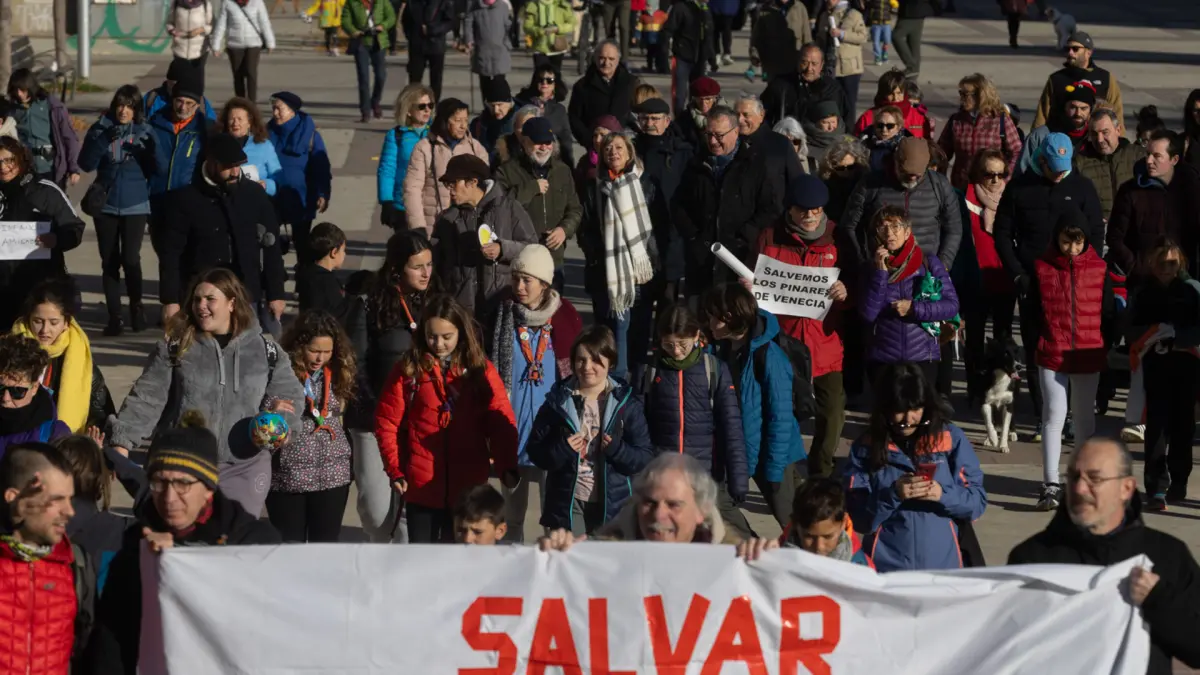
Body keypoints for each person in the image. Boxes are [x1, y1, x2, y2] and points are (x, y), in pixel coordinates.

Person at [86, 413, 282, 673]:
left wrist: (181, 558)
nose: (169, 497)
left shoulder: (256, 542)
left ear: (209, 488)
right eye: (159, 482)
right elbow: (112, 636)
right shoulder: (137, 542)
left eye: (183, 484)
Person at [108, 269, 304, 518]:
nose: (201, 306)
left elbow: (290, 396)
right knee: (183, 535)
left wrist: (281, 423)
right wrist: (121, 443)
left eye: (210, 299)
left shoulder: (266, 351)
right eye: (197, 299)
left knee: (232, 537)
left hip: (244, 467)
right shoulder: (176, 347)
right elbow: (146, 398)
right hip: (182, 464)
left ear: (232, 303)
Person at [1008, 437, 1200, 675]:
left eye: (1095, 479)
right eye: (1074, 477)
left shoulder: (1166, 555)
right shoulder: (1031, 560)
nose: (1079, 489)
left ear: (1126, 488)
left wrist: (1158, 600)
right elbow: (1009, 651)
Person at [374, 295, 519, 543]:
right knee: (424, 559)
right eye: (432, 336)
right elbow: (387, 422)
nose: (439, 344)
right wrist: (395, 470)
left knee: (462, 558)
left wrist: (507, 465)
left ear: (460, 333)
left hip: (468, 489)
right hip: (421, 488)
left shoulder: (480, 370)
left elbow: (500, 422)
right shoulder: (409, 370)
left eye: (446, 337)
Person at [994, 132, 1105, 438]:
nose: (1059, 174)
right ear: (1040, 159)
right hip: (1033, 283)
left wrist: (1088, 271)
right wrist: (1018, 274)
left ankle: (1071, 415)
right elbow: (1002, 233)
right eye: (1053, 167)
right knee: (1037, 350)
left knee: (1073, 351)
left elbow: (1096, 233)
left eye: (1063, 168)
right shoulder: (1020, 188)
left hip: (1075, 285)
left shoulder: (1082, 187)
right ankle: (1045, 415)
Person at [755, 175, 854, 479]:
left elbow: (858, 283)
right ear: (790, 209)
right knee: (784, 411)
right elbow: (755, 280)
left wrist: (846, 292)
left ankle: (821, 471)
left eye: (816, 210)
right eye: (803, 210)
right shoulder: (770, 236)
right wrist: (750, 286)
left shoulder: (838, 238)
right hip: (783, 341)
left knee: (832, 411)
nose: (810, 216)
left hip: (826, 342)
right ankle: (787, 473)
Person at [845, 363, 986, 572]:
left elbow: (977, 502)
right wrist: (892, 495)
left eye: (916, 409)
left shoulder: (950, 438)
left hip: (944, 567)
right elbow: (859, 520)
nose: (908, 419)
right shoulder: (865, 448)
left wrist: (943, 494)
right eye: (899, 410)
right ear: (885, 408)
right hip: (887, 571)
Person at [487, 245, 582, 542]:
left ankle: (551, 570)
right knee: (511, 517)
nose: (519, 286)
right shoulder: (502, 314)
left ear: (544, 283)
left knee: (554, 516)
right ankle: (514, 563)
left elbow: (577, 375)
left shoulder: (565, 318)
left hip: (551, 434)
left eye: (527, 280)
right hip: (512, 429)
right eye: (516, 278)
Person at [345, 232, 434, 543]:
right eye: (417, 267)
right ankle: (379, 548)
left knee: (410, 508)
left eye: (429, 265)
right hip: (373, 421)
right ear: (396, 269)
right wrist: (376, 409)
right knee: (377, 513)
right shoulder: (368, 304)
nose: (426, 273)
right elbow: (354, 364)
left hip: (419, 420)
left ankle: (403, 567)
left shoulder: (434, 303)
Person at [526, 325, 653, 535]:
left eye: (596, 360)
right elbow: (535, 450)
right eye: (581, 360)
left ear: (610, 363)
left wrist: (618, 450)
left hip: (612, 505)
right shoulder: (558, 401)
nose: (587, 367)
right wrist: (562, 448)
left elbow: (644, 457)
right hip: (568, 502)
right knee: (571, 555)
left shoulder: (627, 404)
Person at [158, 133, 287, 336]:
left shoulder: (253, 194)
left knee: (247, 349)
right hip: (202, 296)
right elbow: (171, 255)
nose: (235, 172)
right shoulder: (185, 201)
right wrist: (170, 300)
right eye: (229, 166)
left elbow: (272, 248)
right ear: (211, 163)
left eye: (238, 165)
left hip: (246, 293)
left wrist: (276, 293)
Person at [699, 283, 806, 527]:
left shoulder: (769, 356)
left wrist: (775, 471)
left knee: (794, 524)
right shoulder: (722, 349)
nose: (708, 323)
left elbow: (781, 418)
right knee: (718, 507)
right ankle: (751, 546)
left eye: (712, 317)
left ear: (728, 317)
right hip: (740, 452)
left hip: (772, 458)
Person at [1031, 210, 1114, 511]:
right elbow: (1031, 312)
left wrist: (1105, 344)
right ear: (1057, 238)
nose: (1072, 249)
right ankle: (1050, 483)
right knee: (1054, 414)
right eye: (1066, 241)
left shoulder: (1099, 268)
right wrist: (1038, 342)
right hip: (1053, 350)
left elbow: (1109, 311)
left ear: (1086, 240)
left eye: (1078, 242)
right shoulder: (1041, 267)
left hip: (1088, 351)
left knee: (1084, 418)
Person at [642, 305, 749, 531]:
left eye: (682, 344)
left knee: (731, 534)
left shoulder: (714, 369)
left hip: (706, 476)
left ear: (696, 336)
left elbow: (731, 426)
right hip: (665, 477)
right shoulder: (650, 370)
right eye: (669, 344)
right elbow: (639, 427)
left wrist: (738, 478)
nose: (676, 351)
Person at [0, 442, 92, 674]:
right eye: (57, 500)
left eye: (70, 499)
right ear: (15, 499)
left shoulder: (75, 565)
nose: (69, 511)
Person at [266, 311, 355, 543]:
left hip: (333, 474)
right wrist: (270, 407)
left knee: (324, 548)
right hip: (289, 475)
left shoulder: (341, 371)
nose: (319, 358)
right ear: (299, 345)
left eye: (327, 352)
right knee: (288, 548)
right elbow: (256, 405)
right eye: (314, 350)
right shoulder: (279, 370)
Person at [576, 132, 657, 380]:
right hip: (607, 273)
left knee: (639, 333)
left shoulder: (645, 183)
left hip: (641, 271)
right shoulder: (594, 187)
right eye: (608, 148)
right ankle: (616, 383)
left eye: (619, 147)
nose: (614, 152)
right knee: (612, 333)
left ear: (629, 152)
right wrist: (598, 254)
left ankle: (638, 386)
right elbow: (585, 228)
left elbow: (659, 226)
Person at [1127, 240, 1200, 511]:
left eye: (1171, 263)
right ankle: (1156, 486)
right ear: (1151, 264)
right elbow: (1129, 328)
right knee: (1156, 427)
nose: (1166, 268)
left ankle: (1179, 480)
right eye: (1161, 263)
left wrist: (1179, 338)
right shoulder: (1143, 292)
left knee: (1183, 426)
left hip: (1187, 365)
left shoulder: (1192, 289)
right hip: (1155, 366)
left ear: (1180, 262)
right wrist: (1153, 333)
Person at [674, 107, 779, 294]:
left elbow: (769, 208)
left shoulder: (755, 165)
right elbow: (679, 204)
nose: (713, 141)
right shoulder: (696, 164)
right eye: (709, 134)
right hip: (702, 263)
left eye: (719, 135)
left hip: (739, 261)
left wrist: (744, 235)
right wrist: (694, 236)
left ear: (736, 132)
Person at [77, 85, 154, 336]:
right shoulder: (101, 128)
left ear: (136, 109)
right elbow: (85, 163)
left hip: (135, 204)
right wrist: (103, 140)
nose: (123, 111)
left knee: (131, 258)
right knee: (109, 261)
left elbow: (157, 167)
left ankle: (136, 307)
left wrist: (149, 151)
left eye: (129, 106)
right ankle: (114, 317)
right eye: (120, 105)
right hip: (106, 204)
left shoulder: (145, 130)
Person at [538, 452, 729, 548]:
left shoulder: (734, 566)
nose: (659, 515)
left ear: (701, 510)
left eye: (673, 505)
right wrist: (556, 557)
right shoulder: (604, 554)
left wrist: (747, 560)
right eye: (649, 502)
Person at [859, 206, 959, 387]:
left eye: (895, 226)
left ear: (907, 232)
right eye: (883, 227)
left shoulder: (928, 262)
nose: (889, 233)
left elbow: (951, 305)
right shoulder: (870, 267)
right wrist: (880, 274)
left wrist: (914, 308)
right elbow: (868, 314)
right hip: (883, 358)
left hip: (923, 356)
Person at [431, 155, 537, 319]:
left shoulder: (509, 208)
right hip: (462, 311)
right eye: (447, 185)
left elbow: (533, 249)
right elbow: (437, 266)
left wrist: (503, 249)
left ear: (473, 182)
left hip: (502, 306)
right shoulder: (448, 219)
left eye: (454, 183)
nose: (450, 190)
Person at [0, 138, 85, 330]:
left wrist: (57, 239)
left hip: (39, 286)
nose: (3, 167)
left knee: (37, 342)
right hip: (2, 287)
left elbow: (74, 228)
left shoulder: (44, 190)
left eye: (9, 160)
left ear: (21, 158)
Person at [954, 149, 1017, 405]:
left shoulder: (1011, 198)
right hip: (976, 278)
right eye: (989, 174)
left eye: (1001, 174)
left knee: (1003, 339)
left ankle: (1000, 389)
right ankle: (976, 388)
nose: (995, 180)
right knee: (975, 339)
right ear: (978, 174)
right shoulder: (965, 197)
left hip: (1004, 278)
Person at [843, 136, 962, 270]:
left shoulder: (940, 185)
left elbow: (954, 229)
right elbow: (849, 226)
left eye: (917, 175)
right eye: (906, 173)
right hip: (881, 269)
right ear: (896, 161)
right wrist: (862, 261)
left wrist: (943, 265)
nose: (912, 178)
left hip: (926, 270)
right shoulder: (871, 184)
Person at [13, 280, 115, 434]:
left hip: (62, 442)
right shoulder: (9, 350)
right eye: (38, 321)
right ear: (28, 319)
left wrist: (88, 437)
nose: (45, 330)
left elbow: (101, 415)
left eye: (54, 323)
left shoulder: (80, 359)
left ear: (67, 323)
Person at [494, 117, 583, 290]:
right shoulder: (506, 171)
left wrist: (564, 230)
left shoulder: (562, 171)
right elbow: (499, 208)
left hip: (553, 259)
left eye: (548, 142)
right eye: (538, 142)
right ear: (524, 142)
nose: (544, 147)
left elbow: (575, 209)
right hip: (520, 259)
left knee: (553, 305)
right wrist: (530, 189)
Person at [1107, 130, 1200, 280]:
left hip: (1182, 277)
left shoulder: (1190, 190)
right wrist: (1134, 267)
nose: (1149, 160)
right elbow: (1115, 237)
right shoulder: (1130, 191)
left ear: (1174, 160)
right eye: (1148, 154)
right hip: (1143, 279)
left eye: (1157, 156)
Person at [145, 69, 212, 254]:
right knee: (165, 257)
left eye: (189, 103)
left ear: (197, 105)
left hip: (190, 206)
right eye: (179, 101)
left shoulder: (205, 130)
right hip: (158, 203)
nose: (183, 107)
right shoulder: (154, 124)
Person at [633, 98, 693, 304]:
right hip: (639, 233)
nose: (649, 123)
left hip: (671, 234)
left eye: (655, 119)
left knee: (668, 301)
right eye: (644, 119)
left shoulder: (681, 152)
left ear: (667, 121)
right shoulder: (631, 150)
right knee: (640, 301)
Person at [403, 98, 490, 237]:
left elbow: (485, 186)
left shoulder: (476, 148)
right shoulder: (425, 148)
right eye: (457, 120)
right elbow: (412, 189)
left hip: (468, 227)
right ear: (444, 121)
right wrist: (418, 227)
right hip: (433, 226)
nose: (463, 126)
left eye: (465, 120)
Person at [268, 91, 332, 266]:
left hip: (301, 199)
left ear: (292, 111)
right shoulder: (266, 132)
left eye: (279, 109)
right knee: (269, 243)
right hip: (272, 198)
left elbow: (321, 168)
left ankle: (304, 278)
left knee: (302, 244)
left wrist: (323, 194)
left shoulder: (309, 135)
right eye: (273, 109)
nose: (275, 113)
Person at [56, 433, 128, 587]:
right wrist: (111, 456)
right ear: (99, 477)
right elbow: (153, 506)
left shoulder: (30, 526)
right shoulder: (118, 530)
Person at [937, 73, 1021, 189]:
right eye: (960, 93)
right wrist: (939, 180)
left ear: (981, 96)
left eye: (965, 94)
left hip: (992, 187)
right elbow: (941, 153)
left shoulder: (1000, 120)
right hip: (961, 187)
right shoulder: (956, 120)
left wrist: (1004, 178)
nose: (961, 98)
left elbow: (1016, 152)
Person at [1032, 31, 1123, 130]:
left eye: (1075, 49)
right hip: (1061, 137)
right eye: (1067, 49)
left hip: (1094, 137)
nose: (1070, 53)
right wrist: (1036, 136)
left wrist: (1120, 136)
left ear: (1088, 52)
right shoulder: (1056, 79)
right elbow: (1042, 115)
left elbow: (1117, 114)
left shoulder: (1105, 78)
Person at [6, 68, 80, 188]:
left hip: (50, 168)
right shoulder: (12, 110)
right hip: (25, 169)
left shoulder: (52, 107)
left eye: (22, 90)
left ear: (30, 87)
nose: (19, 94)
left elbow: (69, 137)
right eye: (16, 90)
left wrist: (73, 168)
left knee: (52, 199)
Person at [777, 477, 872, 566]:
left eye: (828, 537)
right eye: (808, 536)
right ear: (795, 524)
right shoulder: (776, 555)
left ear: (843, 523)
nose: (819, 547)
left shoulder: (861, 568)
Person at [0, 335, 71, 452]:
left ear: (34, 388)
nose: (5, 398)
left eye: (17, 391)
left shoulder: (55, 436)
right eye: (0, 388)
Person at [378, 84, 435, 229]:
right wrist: (387, 201)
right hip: (404, 205)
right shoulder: (396, 135)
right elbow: (387, 170)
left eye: (430, 105)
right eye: (421, 106)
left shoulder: (438, 132)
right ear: (408, 110)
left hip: (433, 205)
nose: (427, 110)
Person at [1073, 107, 1144, 223]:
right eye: (1094, 134)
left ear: (1118, 130)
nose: (1100, 139)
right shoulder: (1080, 162)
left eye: (1105, 132)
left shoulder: (1139, 157)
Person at [761, 44, 851, 128]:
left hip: (821, 138)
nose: (809, 68)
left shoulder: (832, 89)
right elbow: (762, 113)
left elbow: (845, 120)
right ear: (798, 62)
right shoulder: (781, 85)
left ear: (821, 65)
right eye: (804, 63)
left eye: (814, 64)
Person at [567, 41, 636, 148]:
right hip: (596, 146)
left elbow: (639, 114)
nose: (606, 63)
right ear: (595, 58)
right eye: (602, 58)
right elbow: (574, 117)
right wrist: (588, 140)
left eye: (611, 59)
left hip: (625, 145)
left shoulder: (631, 83)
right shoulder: (582, 86)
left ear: (618, 59)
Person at [1018, 79, 1095, 175]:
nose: (1078, 113)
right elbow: (1022, 173)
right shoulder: (1041, 136)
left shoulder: (1095, 137)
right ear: (1064, 107)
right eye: (1073, 107)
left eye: (1083, 108)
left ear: (1090, 110)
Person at [737, 94, 805, 196]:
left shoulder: (780, 144)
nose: (740, 120)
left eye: (746, 115)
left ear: (761, 115)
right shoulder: (730, 142)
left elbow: (798, 182)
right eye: (736, 114)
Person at [341, 0, 397, 122]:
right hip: (361, 42)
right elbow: (345, 20)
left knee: (381, 75)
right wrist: (353, 31)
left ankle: (375, 102)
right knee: (363, 78)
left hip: (379, 41)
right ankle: (365, 110)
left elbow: (391, 17)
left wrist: (383, 25)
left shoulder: (382, 1)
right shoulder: (352, 2)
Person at [211, 0, 276, 102]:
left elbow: (264, 22)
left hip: (254, 43)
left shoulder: (257, 2)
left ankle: (251, 103)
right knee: (238, 74)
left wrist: (270, 42)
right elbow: (221, 24)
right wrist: (216, 45)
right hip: (234, 44)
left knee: (251, 72)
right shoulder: (227, 3)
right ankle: (240, 102)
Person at [813, 0, 868, 117]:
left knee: (849, 103)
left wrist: (842, 34)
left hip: (849, 69)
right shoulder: (824, 15)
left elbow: (863, 36)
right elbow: (819, 39)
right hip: (829, 66)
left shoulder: (854, 14)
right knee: (831, 102)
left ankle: (849, 127)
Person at [219, 96, 283, 196]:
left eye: (240, 119)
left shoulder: (264, 146)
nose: (235, 123)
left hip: (257, 199)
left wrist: (266, 185)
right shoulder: (219, 145)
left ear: (249, 122)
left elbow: (277, 178)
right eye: (231, 119)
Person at [660, 0, 715, 114]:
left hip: (700, 59)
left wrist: (711, 57)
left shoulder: (705, 9)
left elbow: (709, 36)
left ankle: (694, 118)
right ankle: (679, 118)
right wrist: (664, 53)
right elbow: (667, 30)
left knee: (698, 93)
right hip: (682, 57)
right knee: (680, 94)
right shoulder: (680, 7)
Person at [514, 66, 574, 162]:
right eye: (540, 79)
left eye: (549, 80)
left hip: (550, 159)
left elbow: (566, 140)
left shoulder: (559, 110)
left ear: (555, 84)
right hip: (522, 157)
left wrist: (569, 163)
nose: (544, 83)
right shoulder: (521, 104)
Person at [852, 68, 932, 139]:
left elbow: (927, 144)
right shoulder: (868, 117)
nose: (895, 98)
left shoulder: (918, 117)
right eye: (890, 94)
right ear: (883, 93)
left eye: (899, 93)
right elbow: (857, 144)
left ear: (905, 93)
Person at [749, 0, 811, 85]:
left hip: (794, 63)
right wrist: (755, 54)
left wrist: (809, 60)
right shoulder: (766, 9)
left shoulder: (799, 8)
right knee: (775, 91)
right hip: (773, 64)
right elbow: (757, 37)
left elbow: (807, 37)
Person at [406, 0, 454, 99]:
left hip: (436, 44)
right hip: (417, 45)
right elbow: (405, 20)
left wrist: (433, 30)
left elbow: (450, 22)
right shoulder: (412, 2)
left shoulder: (442, 2)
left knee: (436, 79)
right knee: (415, 78)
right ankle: (414, 102)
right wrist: (412, 36)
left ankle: (434, 102)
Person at [296, 222, 348, 313]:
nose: (345, 254)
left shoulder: (307, 273)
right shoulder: (329, 283)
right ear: (334, 252)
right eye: (343, 250)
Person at [143, 58, 217, 121]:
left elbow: (211, 124)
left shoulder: (200, 103)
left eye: (188, 103)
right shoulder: (152, 99)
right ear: (167, 81)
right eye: (173, 85)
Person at [819, 136, 870, 223]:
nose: (846, 171)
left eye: (851, 167)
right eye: (840, 168)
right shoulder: (826, 184)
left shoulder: (863, 182)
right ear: (831, 166)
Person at [463, 0, 512, 91]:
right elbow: (468, 23)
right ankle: (486, 100)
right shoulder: (474, 6)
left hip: (500, 49)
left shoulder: (503, 6)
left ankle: (499, 99)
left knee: (499, 82)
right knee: (485, 81)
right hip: (482, 49)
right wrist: (469, 40)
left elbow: (508, 26)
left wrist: (507, 42)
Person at [469, 78, 517, 167]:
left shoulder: (520, 122)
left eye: (499, 105)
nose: (496, 110)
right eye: (492, 106)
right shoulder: (478, 124)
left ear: (509, 103)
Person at [523, 0, 575, 74]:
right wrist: (540, 31)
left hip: (557, 48)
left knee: (556, 75)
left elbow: (571, 24)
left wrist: (558, 29)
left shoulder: (562, 5)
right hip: (539, 48)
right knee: (540, 75)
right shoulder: (532, 5)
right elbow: (527, 27)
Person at [168, 0, 215, 79]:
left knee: (197, 79)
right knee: (182, 79)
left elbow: (211, 26)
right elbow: (169, 22)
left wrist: (200, 30)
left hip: (200, 49)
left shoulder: (205, 4)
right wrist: (172, 30)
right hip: (180, 48)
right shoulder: (176, 3)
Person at [675, 76, 725, 151]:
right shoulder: (684, 118)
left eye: (708, 99)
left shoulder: (726, 116)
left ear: (715, 98)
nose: (704, 104)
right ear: (694, 99)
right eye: (700, 99)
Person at [891, 0, 936, 80]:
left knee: (897, 36)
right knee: (913, 42)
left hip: (910, 10)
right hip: (918, 11)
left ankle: (912, 67)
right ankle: (914, 72)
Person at [859, 104, 909, 171]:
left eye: (890, 126)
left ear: (899, 126)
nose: (884, 129)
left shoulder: (907, 146)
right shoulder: (864, 143)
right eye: (880, 125)